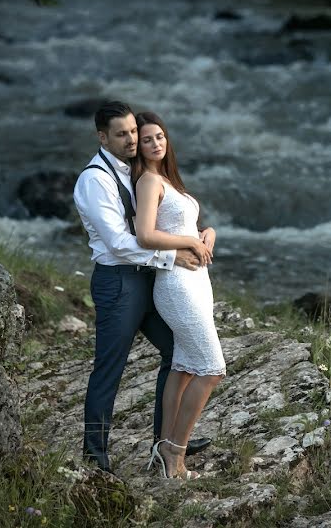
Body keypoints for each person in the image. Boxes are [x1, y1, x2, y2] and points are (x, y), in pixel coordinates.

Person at [73, 100, 212, 474]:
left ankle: (163, 441)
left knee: (176, 353)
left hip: (145, 278)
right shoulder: (95, 179)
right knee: (109, 367)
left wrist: (198, 234)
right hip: (118, 283)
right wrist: (174, 256)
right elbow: (119, 242)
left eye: (134, 131)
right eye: (122, 134)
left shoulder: (133, 171)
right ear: (102, 137)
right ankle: (95, 455)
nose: (132, 139)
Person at [131, 110, 226, 480]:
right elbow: (145, 235)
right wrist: (189, 240)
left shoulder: (169, 180)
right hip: (175, 285)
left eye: (160, 137)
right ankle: (175, 451)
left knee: (185, 367)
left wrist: (208, 233)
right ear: (138, 145)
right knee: (213, 368)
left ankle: (163, 449)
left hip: (197, 282)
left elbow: (187, 225)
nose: (156, 143)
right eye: (148, 139)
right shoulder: (148, 182)